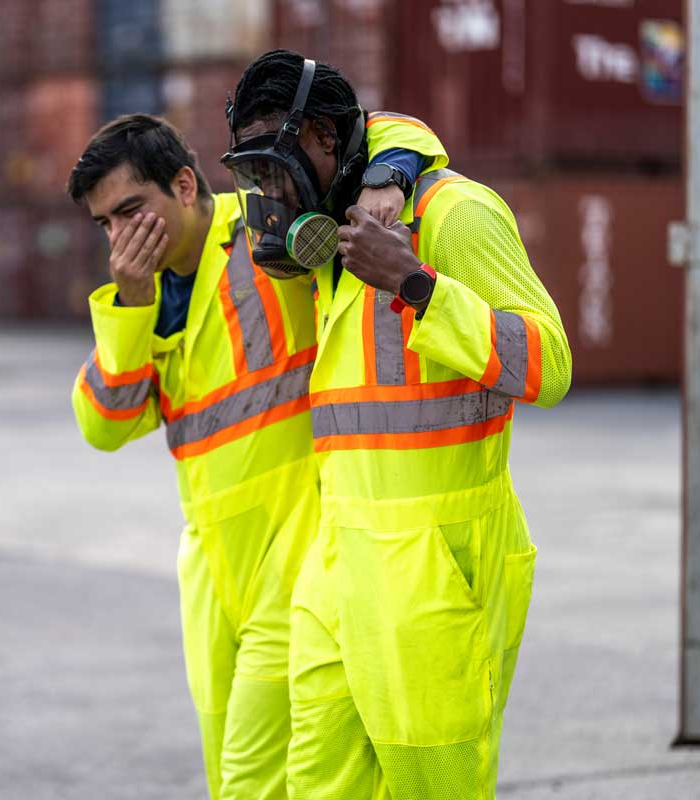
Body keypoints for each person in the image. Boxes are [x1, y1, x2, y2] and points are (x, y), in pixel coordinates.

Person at [222, 50, 573, 800]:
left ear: (321, 137)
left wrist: (417, 285)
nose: (270, 194)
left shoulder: (454, 215)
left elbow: (550, 364)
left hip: (435, 571)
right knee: (320, 784)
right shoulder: (331, 232)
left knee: (434, 786)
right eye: (254, 175)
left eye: (274, 169)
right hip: (340, 568)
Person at [68, 111, 447, 799]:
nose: (121, 237)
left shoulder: (268, 226)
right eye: (106, 225)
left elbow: (394, 131)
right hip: (214, 572)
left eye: (130, 210)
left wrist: (389, 175)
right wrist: (132, 303)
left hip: (295, 550)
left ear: (185, 185)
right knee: (230, 775)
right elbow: (104, 423)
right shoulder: (140, 296)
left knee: (255, 779)